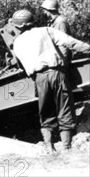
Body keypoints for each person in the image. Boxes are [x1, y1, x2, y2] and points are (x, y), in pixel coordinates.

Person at [10, 9, 90, 152]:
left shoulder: (17, 43)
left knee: (46, 112)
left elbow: (21, 65)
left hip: (39, 78)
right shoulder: (46, 30)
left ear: (18, 26)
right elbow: (71, 43)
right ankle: (66, 148)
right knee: (65, 110)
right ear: (32, 20)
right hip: (57, 73)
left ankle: (49, 148)